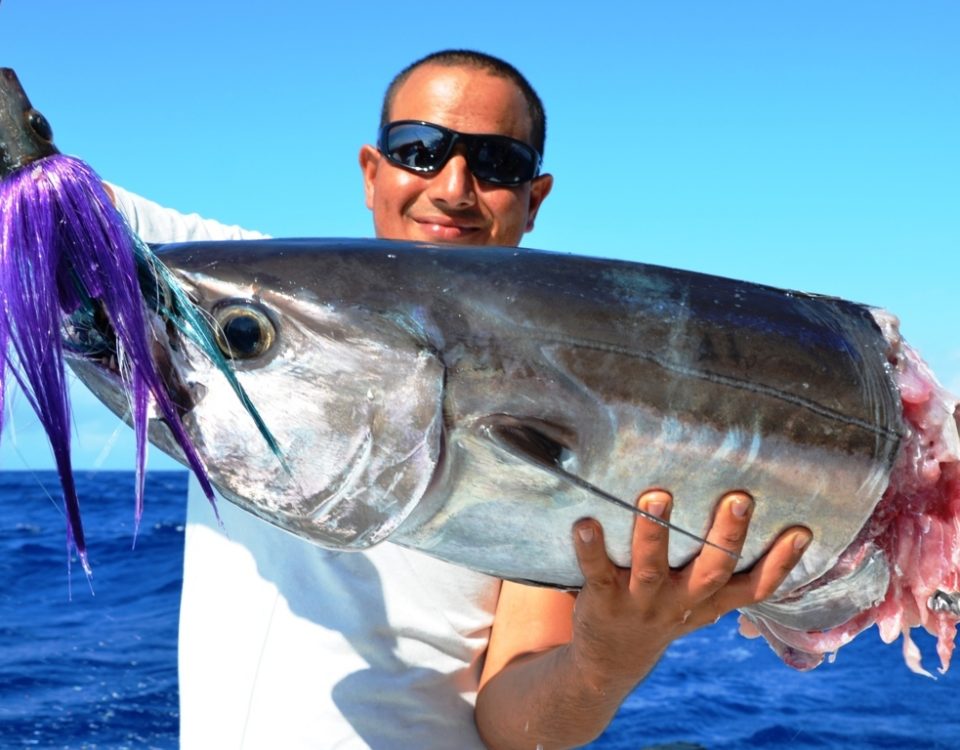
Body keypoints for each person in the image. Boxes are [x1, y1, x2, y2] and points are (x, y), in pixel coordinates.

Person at [110, 50, 812, 749]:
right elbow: (44, 204)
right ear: (371, 170)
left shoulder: (584, 385)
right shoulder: (251, 291)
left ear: (534, 200)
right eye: (417, 149)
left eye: (497, 164)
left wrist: (608, 658)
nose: (452, 187)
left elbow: (515, 727)